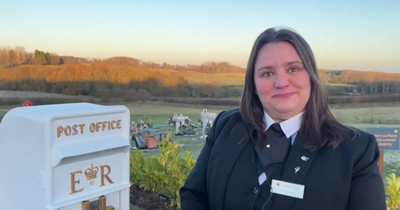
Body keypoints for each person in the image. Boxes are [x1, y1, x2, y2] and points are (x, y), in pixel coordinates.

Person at [179, 27, 387, 210]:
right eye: (267, 73)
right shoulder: (226, 126)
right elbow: (194, 195)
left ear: (311, 76)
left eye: (293, 69)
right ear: (253, 84)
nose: (281, 82)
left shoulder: (355, 150)